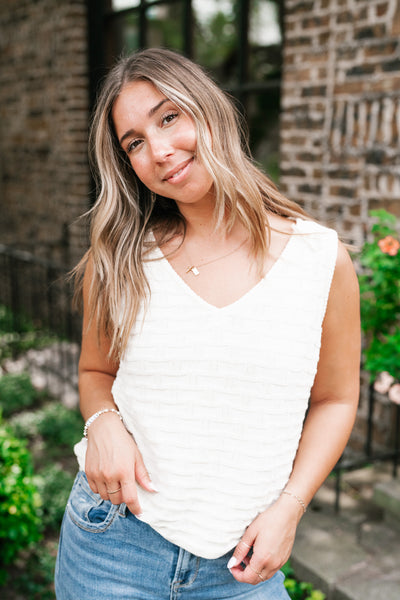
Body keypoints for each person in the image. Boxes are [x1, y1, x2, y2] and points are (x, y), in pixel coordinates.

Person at [55, 48, 360, 600]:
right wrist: (102, 422)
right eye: (135, 143)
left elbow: (336, 399)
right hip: (112, 546)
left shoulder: (320, 259)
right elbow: (95, 371)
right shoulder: (121, 258)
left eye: (169, 117)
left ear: (210, 110)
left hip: (241, 565)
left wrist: (290, 508)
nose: (160, 151)